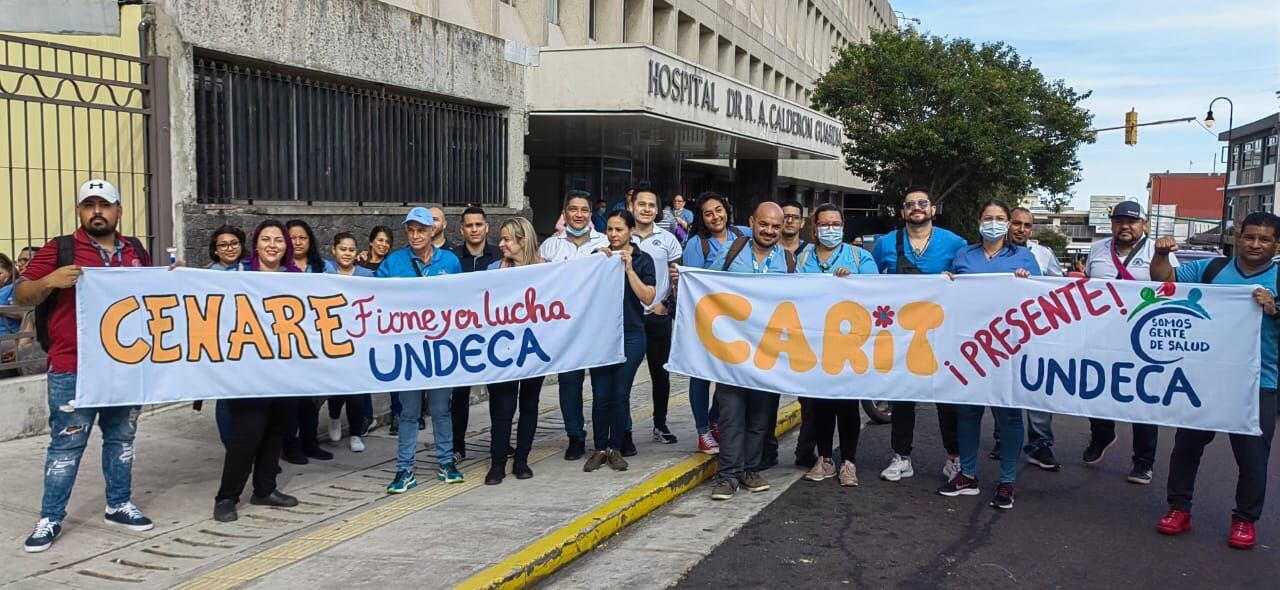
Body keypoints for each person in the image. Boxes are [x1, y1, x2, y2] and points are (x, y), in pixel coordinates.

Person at [17, 179, 156, 551]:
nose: (97, 212)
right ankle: (50, 517)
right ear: (79, 210)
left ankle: (118, 504)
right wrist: (50, 280)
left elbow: (151, 294)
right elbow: (23, 293)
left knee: (122, 438)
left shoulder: (135, 249)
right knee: (66, 444)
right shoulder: (60, 248)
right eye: (89, 205)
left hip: (125, 365)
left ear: (118, 210)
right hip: (72, 366)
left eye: (104, 205)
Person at [1150, 212, 1278, 550]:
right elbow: (1165, 280)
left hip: (1258, 384)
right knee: (1186, 447)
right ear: (1238, 237)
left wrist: (1275, 309)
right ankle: (1179, 509)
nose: (1255, 244)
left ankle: (1245, 520)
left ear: (1277, 244)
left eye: (1264, 239)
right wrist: (1161, 254)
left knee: (1252, 458)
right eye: (1249, 237)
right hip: (1206, 379)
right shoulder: (1212, 269)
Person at [936, 199, 1040, 510]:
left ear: (1008, 224)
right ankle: (967, 475)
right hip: (969, 345)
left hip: (1008, 347)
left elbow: (1040, 297)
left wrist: (1027, 283)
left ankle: (1007, 481)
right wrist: (946, 282)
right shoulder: (963, 255)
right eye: (987, 217)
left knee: (1008, 415)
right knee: (968, 412)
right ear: (979, 222)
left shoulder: (1024, 257)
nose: (993, 223)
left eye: (999, 218)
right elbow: (949, 294)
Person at [870, 188, 967, 483]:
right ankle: (901, 457)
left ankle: (954, 457)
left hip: (942, 333)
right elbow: (867, 281)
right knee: (902, 396)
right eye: (910, 204)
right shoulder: (887, 243)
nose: (916, 208)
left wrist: (955, 281)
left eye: (922, 203)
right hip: (901, 334)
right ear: (903, 212)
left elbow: (968, 282)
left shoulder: (955, 243)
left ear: (933, 209)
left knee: (947, 398)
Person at [212, 219, 302, 522]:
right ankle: (227, 497)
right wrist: (178, 272)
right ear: (256, 244)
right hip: (247, 372)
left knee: (276, 431)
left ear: (286, 246)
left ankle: (265, 489)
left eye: (278, 240)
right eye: (266, 239)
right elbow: (200, 292)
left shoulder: (298, 278)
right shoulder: (237, 274)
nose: (272, 245)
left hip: (285, 370)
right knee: (246, 434)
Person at [1081, 201, 1176, 484]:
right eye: (1119, 221)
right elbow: (1086, 285)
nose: (1125, 226)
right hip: (1101, 334)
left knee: (1143, 398)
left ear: (1143, 224)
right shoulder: (1097, 249)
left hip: (1142, 336)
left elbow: (1173, 287)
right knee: (1095, 387)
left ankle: (1143, 462)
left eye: (1132, 221)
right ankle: (1102, 435)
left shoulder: (1158, 251)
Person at [708, 201, 797, 501]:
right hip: (732, 350)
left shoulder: (789, 262)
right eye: (764, 224)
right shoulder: (731, 251)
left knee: (761, 416)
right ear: (751, 222)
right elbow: (708, 285)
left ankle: (750, 470)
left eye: (776, 226)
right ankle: (727, 476)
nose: (769, 231)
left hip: (769, 352)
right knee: (731, 414)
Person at [377, 207, 464, 492]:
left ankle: (446, 462)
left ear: (432, 231)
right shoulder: (393, 262)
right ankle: (404, 469)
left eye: (421, 230)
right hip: (407, 350)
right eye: (411, 230)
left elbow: (462, 300)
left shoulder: (449, 261)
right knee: (409, 411)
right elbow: (374, 296)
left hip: (440, 349)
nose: (415, 235)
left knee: (441, 409)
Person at [798, 204, 879, 487]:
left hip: (851, 343)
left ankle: (848, 461)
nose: (830, 229)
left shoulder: (860, 257)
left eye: (835, 223)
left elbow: (877, 292)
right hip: (816, 342)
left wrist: (853, 282)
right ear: (815, 227)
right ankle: (825, 459)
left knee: (846, 404)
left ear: (843, 226)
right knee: (820, 405)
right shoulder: (803, 257)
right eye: (824, 224)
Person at [585, 210, 656, 473]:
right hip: (600, 335)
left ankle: (616, 447)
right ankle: (599, 448)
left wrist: (628, 269)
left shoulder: (643, 260)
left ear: (631, 231)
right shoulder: (597, 257)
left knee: (620, 393)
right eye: (610, 230)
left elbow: (648, 297)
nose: (613, 235)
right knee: (600, 394)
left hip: (631, 334)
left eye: (619, 230)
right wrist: (599, 263)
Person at [540, 190, 609, 460]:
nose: (578, 215)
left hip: (598, 326)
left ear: (591, 214)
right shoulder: (550, 246)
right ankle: (575, 436)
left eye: (584, 210)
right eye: (573, 209)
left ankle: (604, 437)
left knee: (602, 386)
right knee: (569, 384)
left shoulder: (606, 242)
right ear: (564, 213)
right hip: (565, 329)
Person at [682, 192, 751, 455]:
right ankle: (702, 431)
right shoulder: (696, 245)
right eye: (708, 213)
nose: (715, 217)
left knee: (726, 375)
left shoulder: (742, 234)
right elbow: (694, 286)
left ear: (727, 210)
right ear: (701, 218)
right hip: (705, 320)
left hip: (735, 322)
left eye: (719, 210)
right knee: (701, 376)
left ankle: (714, 419)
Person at [484, 218, 547, 485]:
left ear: (523, 241)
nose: (501, 244)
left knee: (529, 404)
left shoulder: (548, 270)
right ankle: (497, 464)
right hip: (502, 351)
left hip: (534, 349)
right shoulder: (494, 270)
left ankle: (521, 460)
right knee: (502, 407)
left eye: (507, 239)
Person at [1007, 207, 1065, 471]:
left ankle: (1040, 443)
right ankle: (1003, 439)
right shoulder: (991, 251)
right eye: (1016, 223)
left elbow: (1059, 286)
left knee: (1038, 385)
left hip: (1035, 330)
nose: (1021, 229)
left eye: (1027, 225)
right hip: (1001, 330)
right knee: (1003, 384)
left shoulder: (1043, 254)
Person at [631, 188, 684, 448]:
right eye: (641, 204)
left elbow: (679, 278)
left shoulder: (668, 239)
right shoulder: (620, 235)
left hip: (657, 316)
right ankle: (622, 429)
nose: (646, 209)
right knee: (624, 377)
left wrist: (666, 304)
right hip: (628, 319)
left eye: (651, 205)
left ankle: (660, 424)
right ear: (632, 206)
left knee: (660, 375)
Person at [280, 220, 335, 464]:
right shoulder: (279, 268)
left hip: (316, 340)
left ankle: (310, 443)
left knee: (313, 397)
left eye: (302, 237)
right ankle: (290, 446)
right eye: (292, 238)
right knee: (290, 398)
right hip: (288, 341)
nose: (298, 242)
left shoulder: (323, 267)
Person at [451, 206, 502, 461]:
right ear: (462, 229)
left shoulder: (499, 256)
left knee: (498, 393)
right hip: (460, 336)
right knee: (459, 393)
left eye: (478, 224)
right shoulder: (452, 259)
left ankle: (499, 443)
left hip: (493, 335)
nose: (474, 229)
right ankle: (457, 446)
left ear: (486, 227)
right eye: (469, 225)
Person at [325, 232, 374, 453]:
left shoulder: (366, 275)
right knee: (336, 387)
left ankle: (356, 433)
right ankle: (334, 418)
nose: (346, 253)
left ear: (357, 253)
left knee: (357, 391)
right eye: (342, 249)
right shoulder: (325, 272)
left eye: (351, 250)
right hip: (333, 338)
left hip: (359, 339)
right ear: (334, 250)